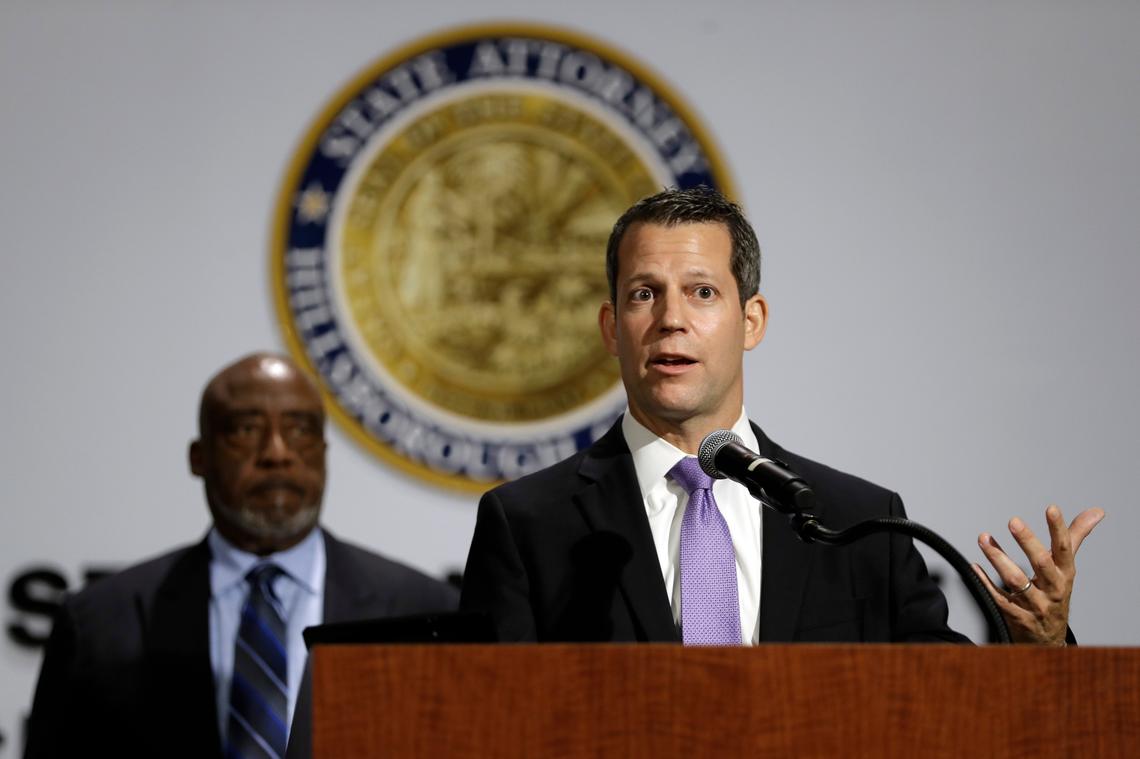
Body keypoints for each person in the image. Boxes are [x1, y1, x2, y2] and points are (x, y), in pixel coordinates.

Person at [460, 186, 1103, 646]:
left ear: (752, 322)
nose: (671, 319)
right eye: (643, 294)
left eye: (702, 292)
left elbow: (946, 716)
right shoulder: (527, 527)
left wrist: (1039, 652)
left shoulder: (858, 525)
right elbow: (488, 727)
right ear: (611, 328)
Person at [25, 353, 458, 759]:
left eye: (300, 430)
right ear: (199, 457)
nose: (277, 453)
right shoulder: (100, 622)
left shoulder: (427, 612)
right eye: (246, 430)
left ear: (324, 455)